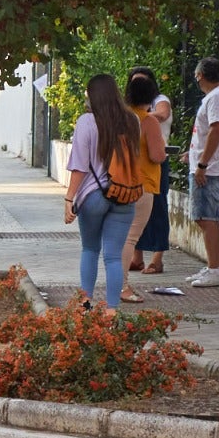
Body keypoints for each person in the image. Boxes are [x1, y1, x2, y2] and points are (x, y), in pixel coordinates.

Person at [63, 74, 141, 308]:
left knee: (90, 248)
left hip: (93, 195)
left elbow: (80, 166)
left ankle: (85, 303)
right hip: (125, 194)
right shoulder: (132, 120)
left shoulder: (86, 122)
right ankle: (112, 310)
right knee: (114, 256)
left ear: (92, 96)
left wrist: (69, 198)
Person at [186, 57, 219, 287]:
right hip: (209, 165)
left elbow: (217, 129)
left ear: (200, 75)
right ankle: (212, 267)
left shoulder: (217, 97)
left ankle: (215, 270)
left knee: (206, 217)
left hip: (211, 168)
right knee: (204, 216)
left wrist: (202, 164)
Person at [117, 72, 168, 303]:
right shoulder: (148, 121)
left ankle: (117, 283)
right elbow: (158, 156)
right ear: (151, 96)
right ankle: (122, 286)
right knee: (130, 238)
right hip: (143, 185)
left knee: (119, 238)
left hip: (119, 183)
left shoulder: (121, 118)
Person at [130, 67, 173, 275]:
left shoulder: (159, 101)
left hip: (156, 162)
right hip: (135, 164)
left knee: (157, 208)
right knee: (135, 211)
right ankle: (136, 257)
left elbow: (163, 114)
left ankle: (157, 258)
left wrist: (139, 114)